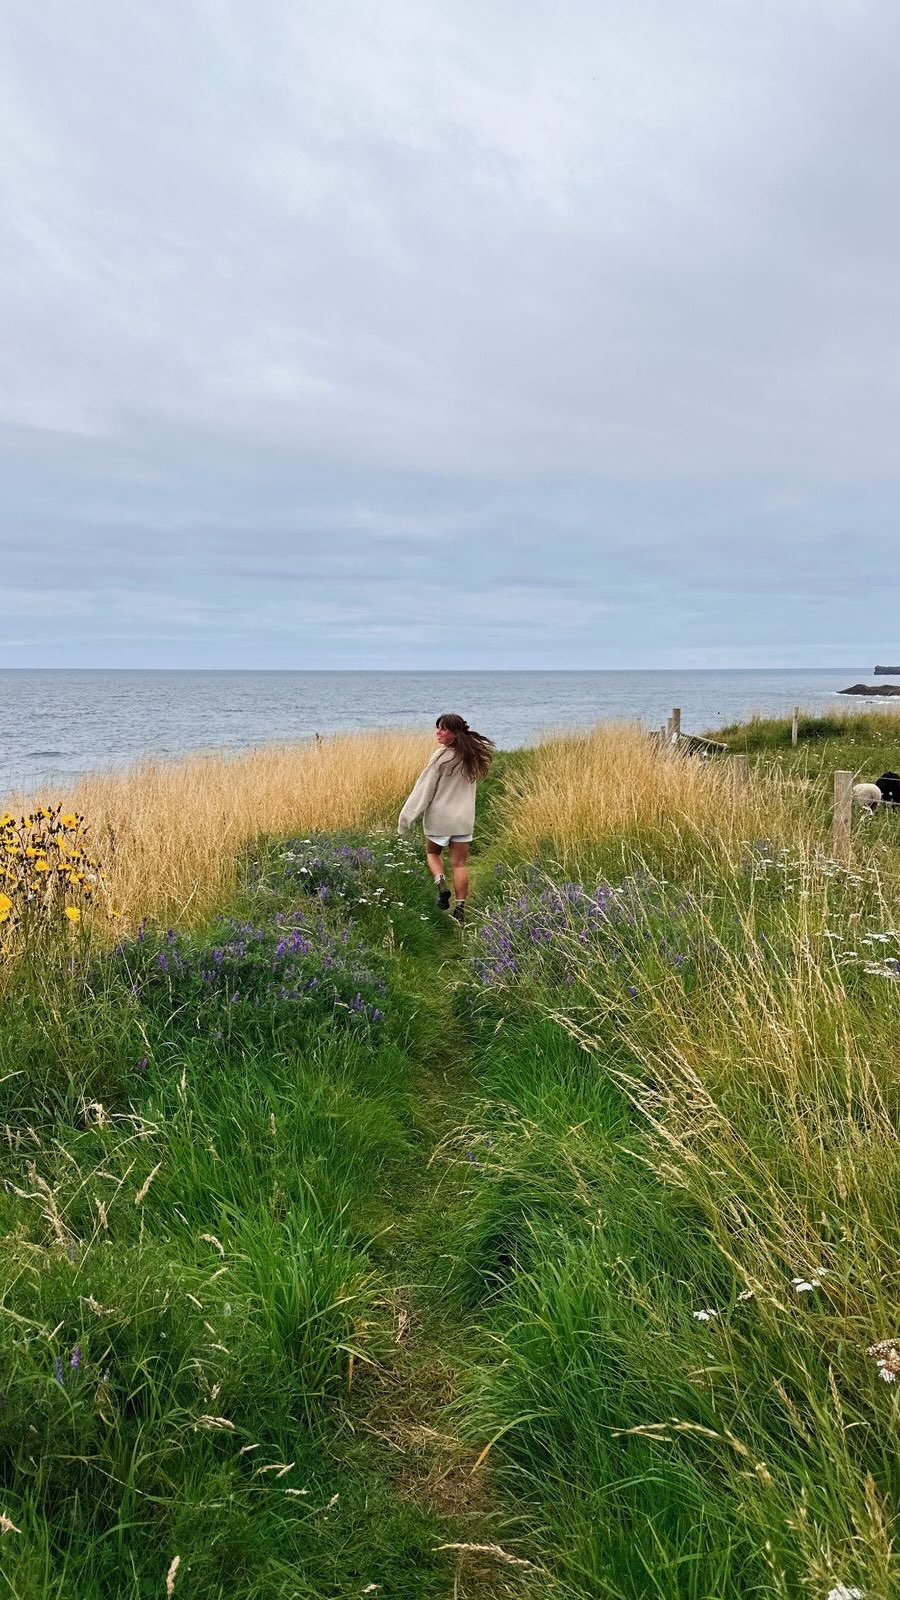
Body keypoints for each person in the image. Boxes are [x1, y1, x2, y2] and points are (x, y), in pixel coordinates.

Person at [397, 713, 494, 924]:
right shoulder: (472, 756)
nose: (438, 732)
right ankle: (460, 908)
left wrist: (407, 817)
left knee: (432, 853)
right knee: (459, 865)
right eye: (438, 728)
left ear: (455, 733)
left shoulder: (441, 757)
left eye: (443, 729)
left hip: (439, 818)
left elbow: (424, 789)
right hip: (463, 819)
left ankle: (441, 883)